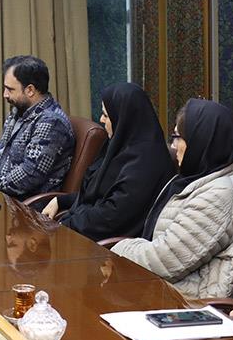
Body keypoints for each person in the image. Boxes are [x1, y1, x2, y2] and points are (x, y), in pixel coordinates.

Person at [110, 99, 233, 298]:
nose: (173, 145)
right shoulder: (202, 175)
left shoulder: (219, 195)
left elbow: (161, 261)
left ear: (203, 141)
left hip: (185, 302)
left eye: (178, 137)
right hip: (161, 289)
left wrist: (117, 249)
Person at [44, 82, 176, 240]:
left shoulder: (146, 164)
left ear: (124, 118)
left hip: (106, 247)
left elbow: (111, 217)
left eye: (106, 115)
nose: (101, 120)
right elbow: (98, 194)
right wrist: (61, 201)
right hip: (84, 231)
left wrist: (63, 227)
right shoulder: (120, 147)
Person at [0, 55, 75, 200]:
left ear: (30, 90)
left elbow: (30, 174)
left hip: (22, 205)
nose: (5, 95)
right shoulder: (18, 112)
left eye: (10, 89)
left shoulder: (52, 122)